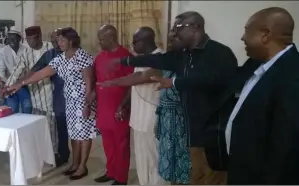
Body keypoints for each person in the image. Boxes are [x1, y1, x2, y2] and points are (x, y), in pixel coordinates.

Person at [107, 11, 238, 185]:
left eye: (178, 28)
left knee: (213, 178)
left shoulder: (219, 53)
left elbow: (215, 80)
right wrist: (124, 61)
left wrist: (176, 82)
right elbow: (157, 60)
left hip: (214, 132)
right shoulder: (184, 55)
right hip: (192, 130)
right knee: (196, 177)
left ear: (195, 27)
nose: (174, 33)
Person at [7, 27, 98, 180]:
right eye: (58, 40)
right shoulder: (61, 58)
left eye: (62, 40)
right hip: (69, 101)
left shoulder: (82, 56)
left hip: (83, 101)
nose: (58, 42)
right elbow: (41, 73)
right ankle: (75, 164)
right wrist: (20, 83)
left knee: (84, 135)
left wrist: (87, 105)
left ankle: (83, 166)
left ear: (71, 41)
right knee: (74, 135)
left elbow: (90, 81)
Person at [224, 7, 299, 184]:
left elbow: (285, 147)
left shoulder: (293, 74)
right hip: (242, 170)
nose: (242, 37)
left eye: (246, 31)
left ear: (265, 34)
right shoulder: (256, 64)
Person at [99, 27, 176, 185]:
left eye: (135, 41)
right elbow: (134, 87)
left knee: (154, 158)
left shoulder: (160, 58)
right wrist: (123, 104)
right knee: (141, 158)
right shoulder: (141, 58)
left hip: (152, 118)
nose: (132, 44)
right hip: (138, 118)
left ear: (145, 41)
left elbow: (141, 77)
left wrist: (112, 82)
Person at [21, 28, 70, 167]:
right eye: (54, 40)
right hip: (58, 95)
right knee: (60, 126)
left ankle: (78, 163)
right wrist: (19, 83)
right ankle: (63, 154)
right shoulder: (50, 54)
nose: (57, 43)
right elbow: (36, 71)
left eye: (59, 40)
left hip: (75, 96)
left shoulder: (75, 53)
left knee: (75, 131)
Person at [93, 25, 134, 185]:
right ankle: (111, 172)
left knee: (121, 144)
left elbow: (132, 84)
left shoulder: (126, 56)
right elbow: (98, 81)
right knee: (108, 144)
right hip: (103, 109)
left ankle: (121, 178)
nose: (99, 42)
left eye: (102, 39)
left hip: (119, 108)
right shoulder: (99, 57)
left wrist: (124, 106)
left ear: (111, 38)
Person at [0, 27, 32, 113]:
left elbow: (29, 69)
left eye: (14, 38)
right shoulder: (3, 51)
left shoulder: (26, 49)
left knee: (27, 106)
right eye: (9, 38)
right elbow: (0, 71)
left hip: (24, 84)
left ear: (19, 38)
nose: (11, 41)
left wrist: (20, 82)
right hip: (8, 85)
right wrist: (8, 84)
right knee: (12, 108)